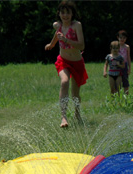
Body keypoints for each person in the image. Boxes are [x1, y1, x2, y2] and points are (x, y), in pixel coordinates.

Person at [45, 0, 88, 128]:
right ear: (59, 14)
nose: (65, 16)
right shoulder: (58, 25)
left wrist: (66, 40)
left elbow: (81, 46)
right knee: (64, 82)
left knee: (75, 94)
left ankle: (77, 114)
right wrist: (51, 45)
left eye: (68, 13)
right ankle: (63, 117)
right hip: (63, 61)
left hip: (77, 63)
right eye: (62, 13)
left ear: (72, 14)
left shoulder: (76, 25)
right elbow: (57, 34)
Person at [117, 30, 131, 94]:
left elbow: (128, 57)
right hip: (117, 65)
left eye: (124, 38)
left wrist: (129, 68)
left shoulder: (127, 47)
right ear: (118, 38)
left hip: (125, 65)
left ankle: (126, 98)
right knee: (117, 82)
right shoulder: (116, 46)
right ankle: (118, 97)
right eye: (121, 38)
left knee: (125, 82)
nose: (122, 39)